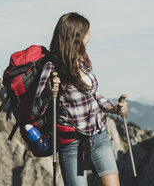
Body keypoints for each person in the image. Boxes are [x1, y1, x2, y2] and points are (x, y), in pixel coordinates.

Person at [32, 12, 127, 186]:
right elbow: (36, 108)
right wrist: (49, 92)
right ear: (76, 36)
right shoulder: (52, 67)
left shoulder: (84, 61)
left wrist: (114, 109)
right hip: (72, 143)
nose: (89, 37)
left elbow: (94, 95)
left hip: (99, 135)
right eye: (87, 32)